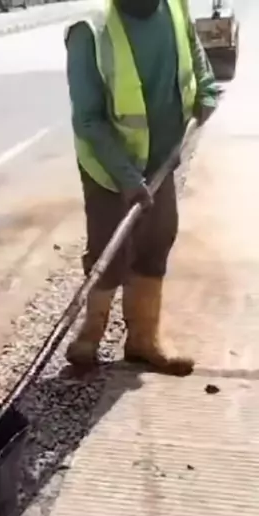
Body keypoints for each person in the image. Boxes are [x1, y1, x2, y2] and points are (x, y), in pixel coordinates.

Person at [64, 0, 218, 376]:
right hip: (108, 164)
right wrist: (128, 178)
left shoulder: (174, 5)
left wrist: (206, 90)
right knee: (109, 249)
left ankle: (144, 339)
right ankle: (91, 334)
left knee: (157, 239)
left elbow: (194, 52)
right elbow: (88, 118)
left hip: (161, 158)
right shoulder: (90, 28)